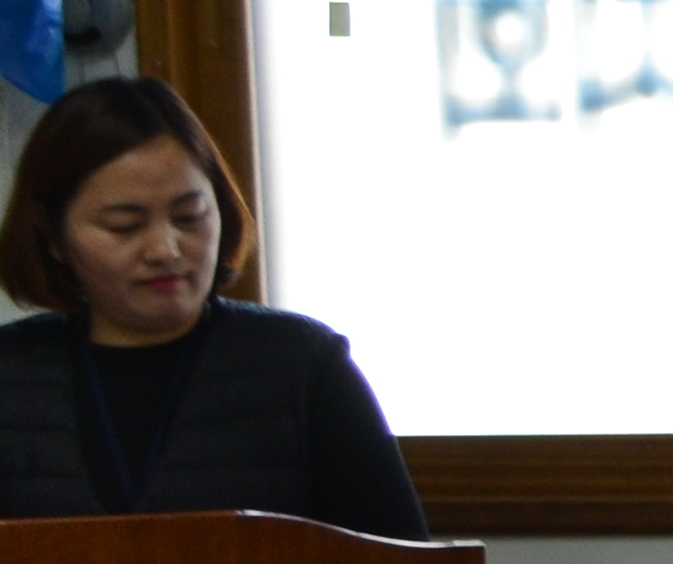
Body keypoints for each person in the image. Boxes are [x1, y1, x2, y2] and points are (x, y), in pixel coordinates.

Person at [0, 75, 425, 538]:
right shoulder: (12, 373)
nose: (165, 249)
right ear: (52, 235)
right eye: (124, 225)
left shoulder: (303, 364)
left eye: (189, 217)